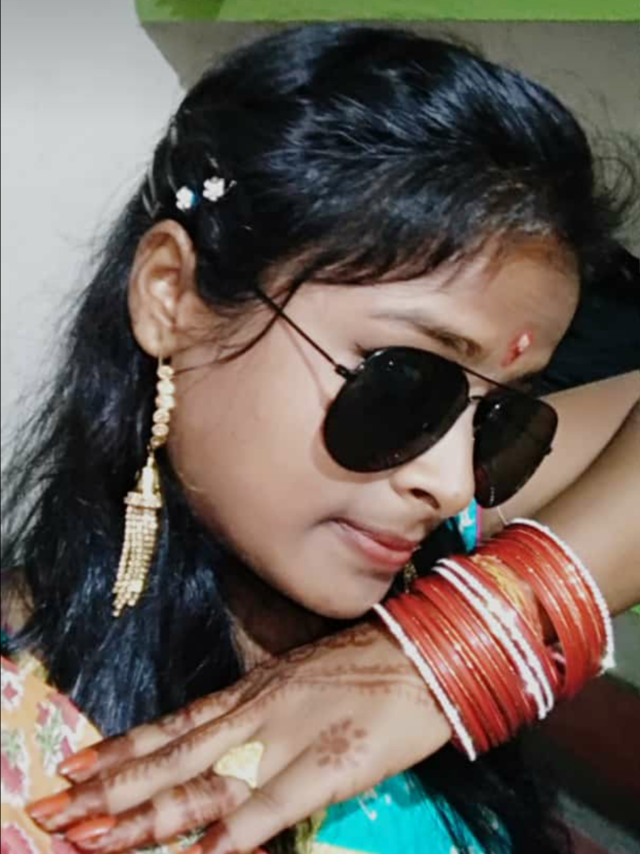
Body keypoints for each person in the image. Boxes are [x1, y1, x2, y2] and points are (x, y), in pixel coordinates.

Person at [2, 23, 639, 854]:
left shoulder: (440, 557)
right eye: (404, 383)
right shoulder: (25, 734)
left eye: (502, 418)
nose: (451, 481)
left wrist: (456, 651)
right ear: (172, 298)